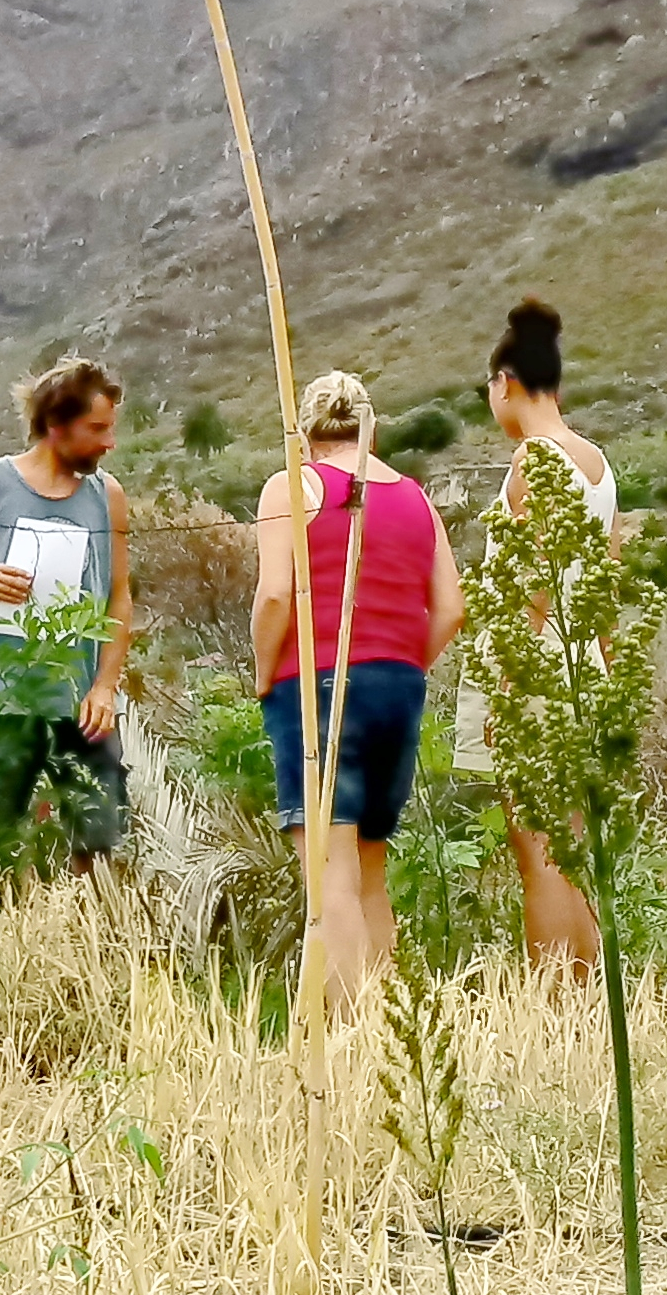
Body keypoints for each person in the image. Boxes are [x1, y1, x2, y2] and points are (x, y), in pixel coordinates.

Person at [253, 370, 463, 1009]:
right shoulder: (417, 499)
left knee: (329, 876)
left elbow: (272, 596)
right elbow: (450, 608)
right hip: (397, 687)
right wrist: (405, 666)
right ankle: (393, 1039)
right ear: (371, 426)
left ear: (307, 433)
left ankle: (347, 1044)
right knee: (370, 873)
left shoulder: (293, 487)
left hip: (318, 688)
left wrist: (264, 675)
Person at [453, 297, 617, 981]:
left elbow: (533, 584)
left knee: (539, 851)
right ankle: (590, 990)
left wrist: (507, 691)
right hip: (584, 669)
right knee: (576, 847)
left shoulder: (533, 462)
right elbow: (606, 580)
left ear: (506, 383)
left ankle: (554, 999)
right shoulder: (596, 462)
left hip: (538, 671)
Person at [0, 356, 133, 867]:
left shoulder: (107, 496)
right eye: (97, 429)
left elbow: (118, 595)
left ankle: (90, 937)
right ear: (55, 425)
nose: (109, 443)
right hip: (1, 697)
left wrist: (105, 686)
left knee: (99, 837)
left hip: (79, 702)